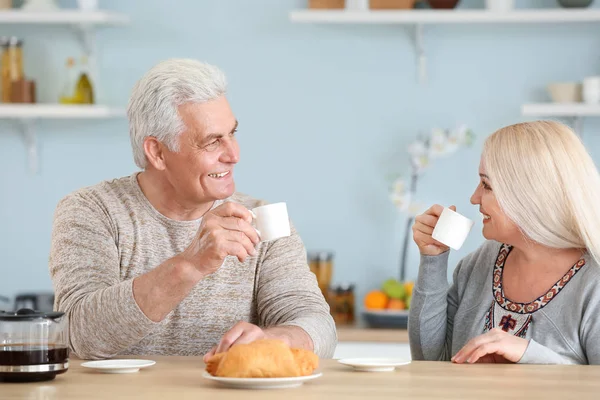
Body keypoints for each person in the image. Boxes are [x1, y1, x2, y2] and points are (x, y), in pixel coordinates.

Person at [49, 59, 337, 360]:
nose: (234, 154)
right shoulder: (92, 211)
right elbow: (79, 335)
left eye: (232, 134)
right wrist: (190, 266)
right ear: (158, 152)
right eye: (212, 142)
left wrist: (274, 340)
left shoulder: (262, 219)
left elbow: (318, 327)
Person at [409, 120, 600, 364]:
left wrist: (528, 353)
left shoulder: (593, 284)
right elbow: (431, 363)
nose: (474, 197)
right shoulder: (481, 262)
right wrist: (432, 261)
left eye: (486, 185)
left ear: (530, 194)